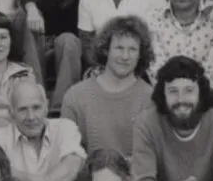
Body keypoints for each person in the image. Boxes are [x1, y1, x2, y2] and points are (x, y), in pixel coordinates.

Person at [61, 16, 154, 157]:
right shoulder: (75, 96)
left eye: (132, 49)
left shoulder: (151, 99)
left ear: (140, 55)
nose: (125, 56)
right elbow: (68, 155)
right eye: (119, 48)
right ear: (106, 50)